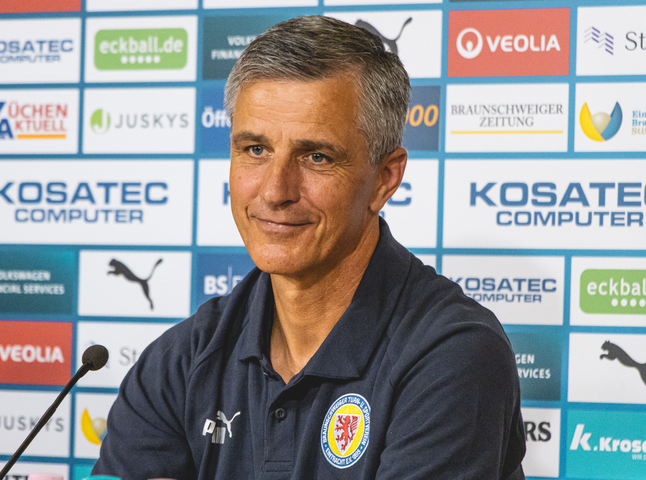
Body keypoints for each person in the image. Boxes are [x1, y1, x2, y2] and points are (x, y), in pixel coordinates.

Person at [93, 15, 525, 480]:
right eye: (255, 150)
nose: (275, 191)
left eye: (316, 156)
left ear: (384, 179)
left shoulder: (452, 353)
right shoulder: (180, 360)